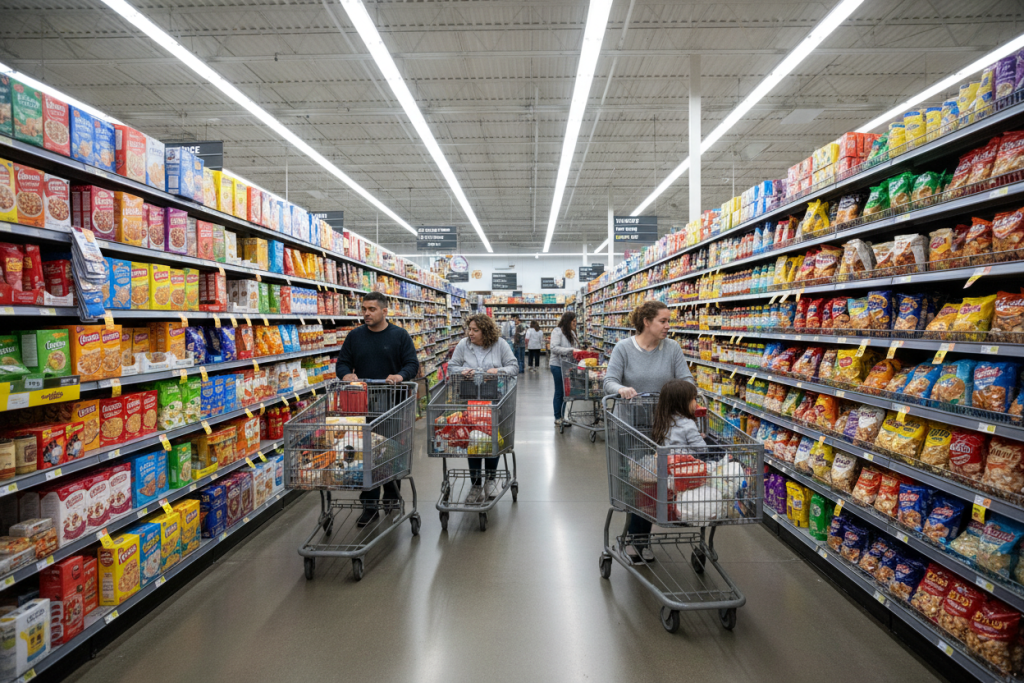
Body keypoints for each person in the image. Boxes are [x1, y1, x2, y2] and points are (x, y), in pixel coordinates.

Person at [603, 300, 695, 563]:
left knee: (659, 481)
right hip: (631, 426)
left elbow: (686, 379)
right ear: (646, 322)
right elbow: (609, 381)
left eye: (668, 321)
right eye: (663, 321)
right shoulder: (623, 348)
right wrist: (621, 389)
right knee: (640, 481)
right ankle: (638, 538)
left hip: (664, 427)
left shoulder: (672, 348)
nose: (668, 326)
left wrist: (681, 394)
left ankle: (640, 537)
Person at [335, 291, 420, 527]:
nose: (366, 313)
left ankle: (391, 497)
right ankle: (369, 506)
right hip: (362, 404)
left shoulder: (399, 335)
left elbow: (412, 364)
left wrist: (400, 376)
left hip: (393, 403)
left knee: (390, 451)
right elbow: (342, 363)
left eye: (371, 309)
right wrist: (346, 374)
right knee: (365, 454)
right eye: (364, 309)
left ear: (384, 311)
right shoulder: (355, 336)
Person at [448, 314, 518, 503]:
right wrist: (464, 371)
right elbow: (451, 367)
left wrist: (497, 371)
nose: (470, 333)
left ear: (485, 331)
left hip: (495, 401)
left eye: (475, 330)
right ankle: (476, 484)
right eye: (469, 329)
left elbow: (513, 367)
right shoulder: (463, 345)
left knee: (491, 439)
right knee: (473, 440)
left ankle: (491, 479)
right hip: (470, 401)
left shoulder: (500, 345)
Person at [550, 311, 580, 427]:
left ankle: (563, 416)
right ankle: (558, 418)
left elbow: (575, 348)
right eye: (573, 321)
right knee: (560, 391)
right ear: (568, 321)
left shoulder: (571, 333)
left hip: (568, 366)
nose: (575, 323)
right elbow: (554, 348)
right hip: (557, 365)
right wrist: (571, 350)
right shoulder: (557, 331)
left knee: (566, 392)